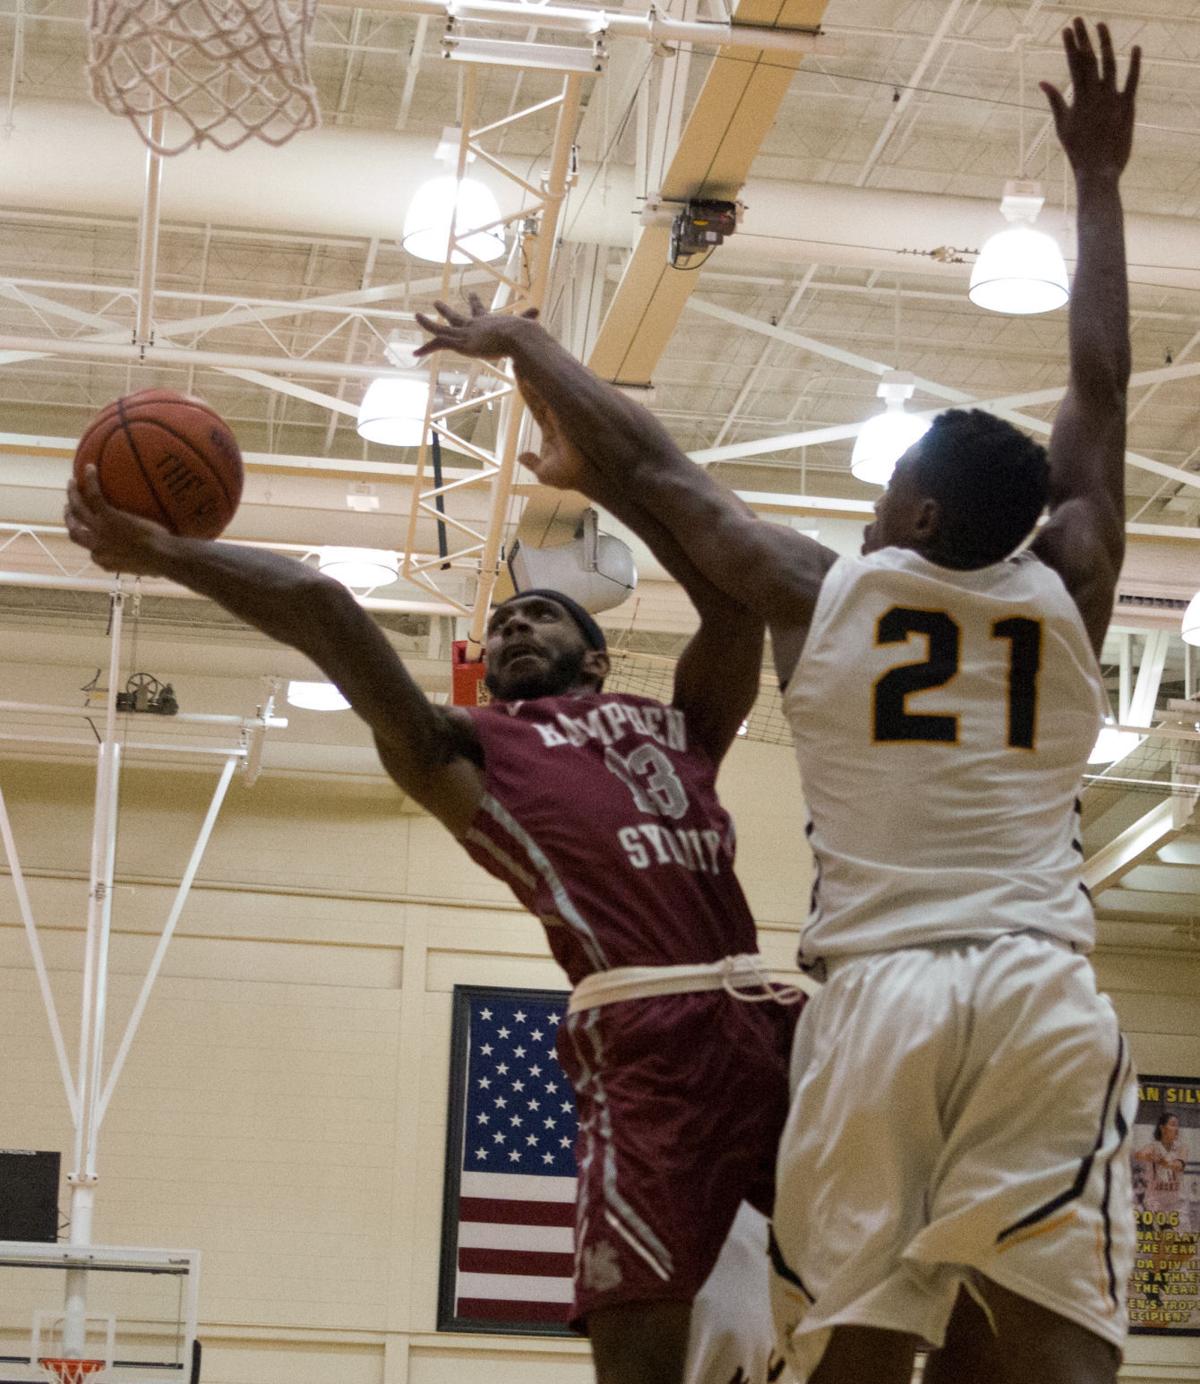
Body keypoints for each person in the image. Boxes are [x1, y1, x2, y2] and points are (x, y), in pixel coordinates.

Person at [415, 17, 1141, 1383]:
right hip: (1043, 990)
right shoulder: (1076, 579)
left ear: (915, 509)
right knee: (1053, 1345)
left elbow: (664, 470)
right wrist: (1100, 182)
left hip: (879, 999)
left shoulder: (832, 598)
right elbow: (1097, 393)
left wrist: (525, 341)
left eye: (886, 492)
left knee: (857, 1339)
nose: (868, 508)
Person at [63, 398, 798, 1384]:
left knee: (905, 1274)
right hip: (647, 1035)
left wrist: (602, 476)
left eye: (538, 614)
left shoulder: (679, 730)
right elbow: (326, 612)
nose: (513, 629)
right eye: (498, 629)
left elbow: (735, 598)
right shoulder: (469, 755)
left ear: (601, 657)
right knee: (640, 1350)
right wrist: (164, 552)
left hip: (773, 1014)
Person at [1134, 1112, 1187, 1216]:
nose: (1177, 1129)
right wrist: (1147, 1156)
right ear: (1162, 1128)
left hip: (1176, 1202)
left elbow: (1178, 1165)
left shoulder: (1182, 1148)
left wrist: (1159, 1160)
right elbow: (1139, 1155)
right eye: (1173, 1124)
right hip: (1155, 1201)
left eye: (1177, 1125)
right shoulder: (1153, 1146)